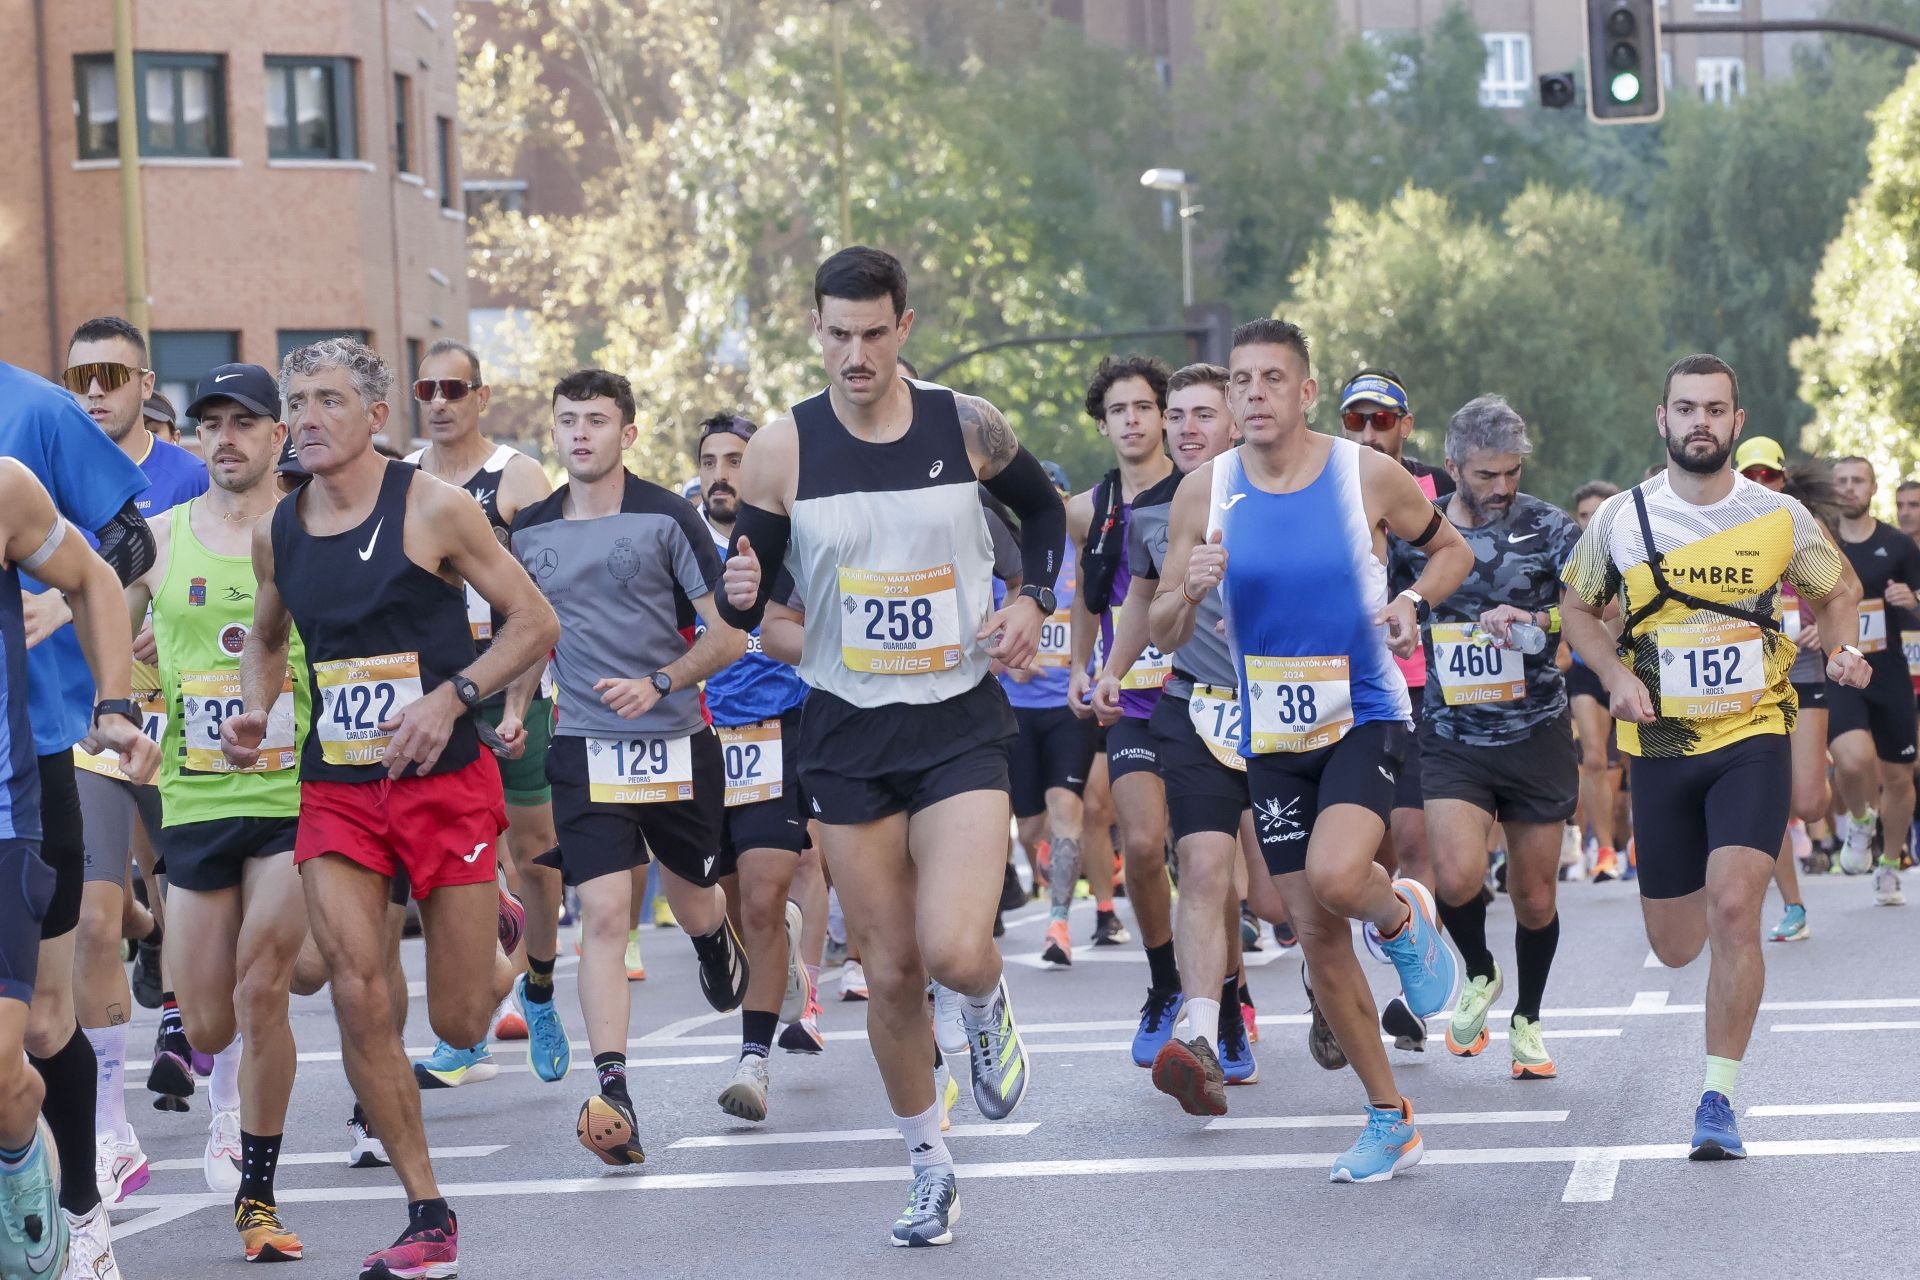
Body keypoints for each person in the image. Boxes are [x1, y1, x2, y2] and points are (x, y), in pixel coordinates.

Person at [718, 246, 1063, 1246]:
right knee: (893, 966)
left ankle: (989, 993)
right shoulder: (782, 447)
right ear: (815, 329)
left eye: (875, 332)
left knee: (955, 946)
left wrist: (1032, 598)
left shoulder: (965, 422)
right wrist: (740, 593)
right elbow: (754, 591)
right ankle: (928, 1162)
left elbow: (1042, 511)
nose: (856, 353)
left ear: (904, 326)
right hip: (844, 728)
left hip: (957, 717)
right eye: (838, 333)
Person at [222, 337, 559, 1279]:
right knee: (358, 992)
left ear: (377, 417)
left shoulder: (435, 509)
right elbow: (266, 633)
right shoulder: (279, 528)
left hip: (445, 781)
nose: (311, 418)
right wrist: (256, 708)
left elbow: (535, 623)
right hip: (338, 786)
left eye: (332, 399)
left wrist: (453, 696)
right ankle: (427, 1212)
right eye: (300, 402)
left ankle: (502, 939)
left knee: (454, 1025)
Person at [1156, 319, 1473, 1181]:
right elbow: (1160, 626)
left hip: (1363, 707)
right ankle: (1389, 1118)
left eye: (1271, 379)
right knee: (1313, 932)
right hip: (1272, 730)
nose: (1252, 395)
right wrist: (1185, 593)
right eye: (1240, 381)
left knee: (1339, 881)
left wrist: (1410, 600)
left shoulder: (1363, 473)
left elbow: (1452, 548)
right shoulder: (1204, 491)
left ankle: (1402, 916)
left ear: (1303, 393)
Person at [1561, 353, 1866, 1160]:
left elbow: (1839, 590)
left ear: (1736, 421)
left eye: (1715, 409)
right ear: (1662, 420)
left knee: (1736, 909)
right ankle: (1686, 926)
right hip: (1658, 742)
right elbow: (1578, 610)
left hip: (1753, 731)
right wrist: (1615, 673)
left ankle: (1717, 1099)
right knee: (1675, 944)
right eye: (1686, 408)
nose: (1701, 421)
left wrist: (1837, 650)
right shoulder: (1621, 519)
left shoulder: (1780, 517)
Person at [511, 372, 749, 1160]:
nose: (580, 434)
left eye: (597, 421)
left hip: (674, 737)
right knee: (606, 916)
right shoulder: (531, 529)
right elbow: (528, 635)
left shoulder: (666, 515)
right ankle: (613, 1087)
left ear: (629, 434)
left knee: (694, 901)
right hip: (583, 743)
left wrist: (660, 683)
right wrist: (515, 709)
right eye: (568, 421)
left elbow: (728, 638)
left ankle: (717, 939)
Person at [124, 363, 311, 1261]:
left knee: (262, 986)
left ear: (280, 436)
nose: (226, 437)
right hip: (194, 797)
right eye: (212, 423)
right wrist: (115, 709)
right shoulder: (156, 540)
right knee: (205, 1021)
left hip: (294, 795)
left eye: (245, 421)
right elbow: (97, 637)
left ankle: (258, 1193)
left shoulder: (313, 533)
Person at [5, 350, 156, 1276]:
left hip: (36, 749)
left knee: (42, 1022)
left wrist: (110, 695)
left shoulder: (34, 414)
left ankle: (77, 1210)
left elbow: (123, 550)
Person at [57, 320, 210, 1218]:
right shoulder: (46, 467)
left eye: (112, 375)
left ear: (143, 381)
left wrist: (167, 621)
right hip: (93, 720)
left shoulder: (190, 473)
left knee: (199, 901)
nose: (95, 390)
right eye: (80, 376)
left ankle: (216, 1073)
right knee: (89, 918)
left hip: (189, 717)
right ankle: (113, 1131)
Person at [401, 338, 566, 1086]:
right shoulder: (399, 479)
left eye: (454, 389)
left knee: (534, 852)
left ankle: (537, 985)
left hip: (509, 688)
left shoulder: (516, 477)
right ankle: (466, 1020)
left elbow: (542, 603)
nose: (440, 401)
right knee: (449, 855)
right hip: (437, 695)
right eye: (427, 389)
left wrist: (522, 699)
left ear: (481, 397)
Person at [1402, 396, 1581, 1080]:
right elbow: (1382, 600)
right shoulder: (1415, 532)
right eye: (1486, 475)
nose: (1502, 487)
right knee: (1455, 875)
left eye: (1511, 472)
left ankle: (1528, 1020)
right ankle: (1479, 970)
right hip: (1452, 735)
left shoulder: (1550, 528)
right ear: (1452, 468)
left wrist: (1534, 615)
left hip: (1535, 731)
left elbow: (1600, 614)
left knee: (1535, 897)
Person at [1095, 362, 1260, 1101]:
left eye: (1203, 416)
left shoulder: (1279, 489)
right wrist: (1110, 666)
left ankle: (1312, 975)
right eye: (1179, 417)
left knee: (1285, 902)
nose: (1186, 429)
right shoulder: (1151, 511)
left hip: (1283, 706)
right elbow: (1139, 601)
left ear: (1233, 422)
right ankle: (1202, 1013)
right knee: (1195, 864)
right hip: (1184, 702)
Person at [691, 412, 814, 1120]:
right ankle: (778, 953)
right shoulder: (676, 541)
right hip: (703, 743)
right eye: (709, 461)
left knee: (766, 896)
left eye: (735, 460)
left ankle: (754, 1064)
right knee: (734, 908)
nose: (721, 475)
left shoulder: (790, 540)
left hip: (782, 734)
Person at [1339, 368, 1447, 1048]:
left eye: (1382, 419)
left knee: (1411, 839)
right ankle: (1338, 979)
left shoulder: (1442, 489)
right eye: (1356, 420)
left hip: (1422, 685)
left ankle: (1414, 989)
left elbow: (1469, 563)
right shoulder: (1321, 481)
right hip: (1342, 686)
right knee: (1357, 854)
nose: (1370, 432)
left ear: (1407, 425)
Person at [1067, 357, 1176, 981]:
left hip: (1204, 692)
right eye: (1118, 411)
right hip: (1129, 695)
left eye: (1142, 407)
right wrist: (1082, 666)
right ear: (1102, 424)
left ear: (1162, 416)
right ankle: (1165, 978)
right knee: (1140, 842)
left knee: (1213, 854)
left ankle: (1233, 985)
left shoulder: (1198, 488)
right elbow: (1090, 595)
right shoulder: (1087, 510)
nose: (1131, 420)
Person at [1735, 441, 1849, 941]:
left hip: (1802, 671)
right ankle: (1793, 906)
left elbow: (1850, 590)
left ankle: (1838, 789)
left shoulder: (1804, 524)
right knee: (1769, 799)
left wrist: (1821, 629)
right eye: (1750, 476)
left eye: (1770, 476)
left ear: (1782, 479)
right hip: (1748, 678)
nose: (1761, 485)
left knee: (1808, 802)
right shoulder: (1717, 527)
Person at [1826, 456, 1920, 904]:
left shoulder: (1899, 545)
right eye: (1841, 481)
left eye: (1857, 480)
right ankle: (1861, 819)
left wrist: (1913, 601)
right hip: (1845, 669)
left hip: (1890, 671)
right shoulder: (1820, 541)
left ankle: (1889, 864)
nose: (1848, 488)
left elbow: (1919, 603)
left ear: (1872, 487)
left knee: (1900, 777)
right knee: (1852, 759)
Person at [1567, 480, 1627, 880]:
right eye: (1585, 515)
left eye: (1600, 513)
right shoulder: (1569, 558)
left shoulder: (1638, 552)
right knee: (1592, 758)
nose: (1593, 522)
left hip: (1634, 670)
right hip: (1584, 670)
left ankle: (1635, 843)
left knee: (1626, 763)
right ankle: (1604, 849)